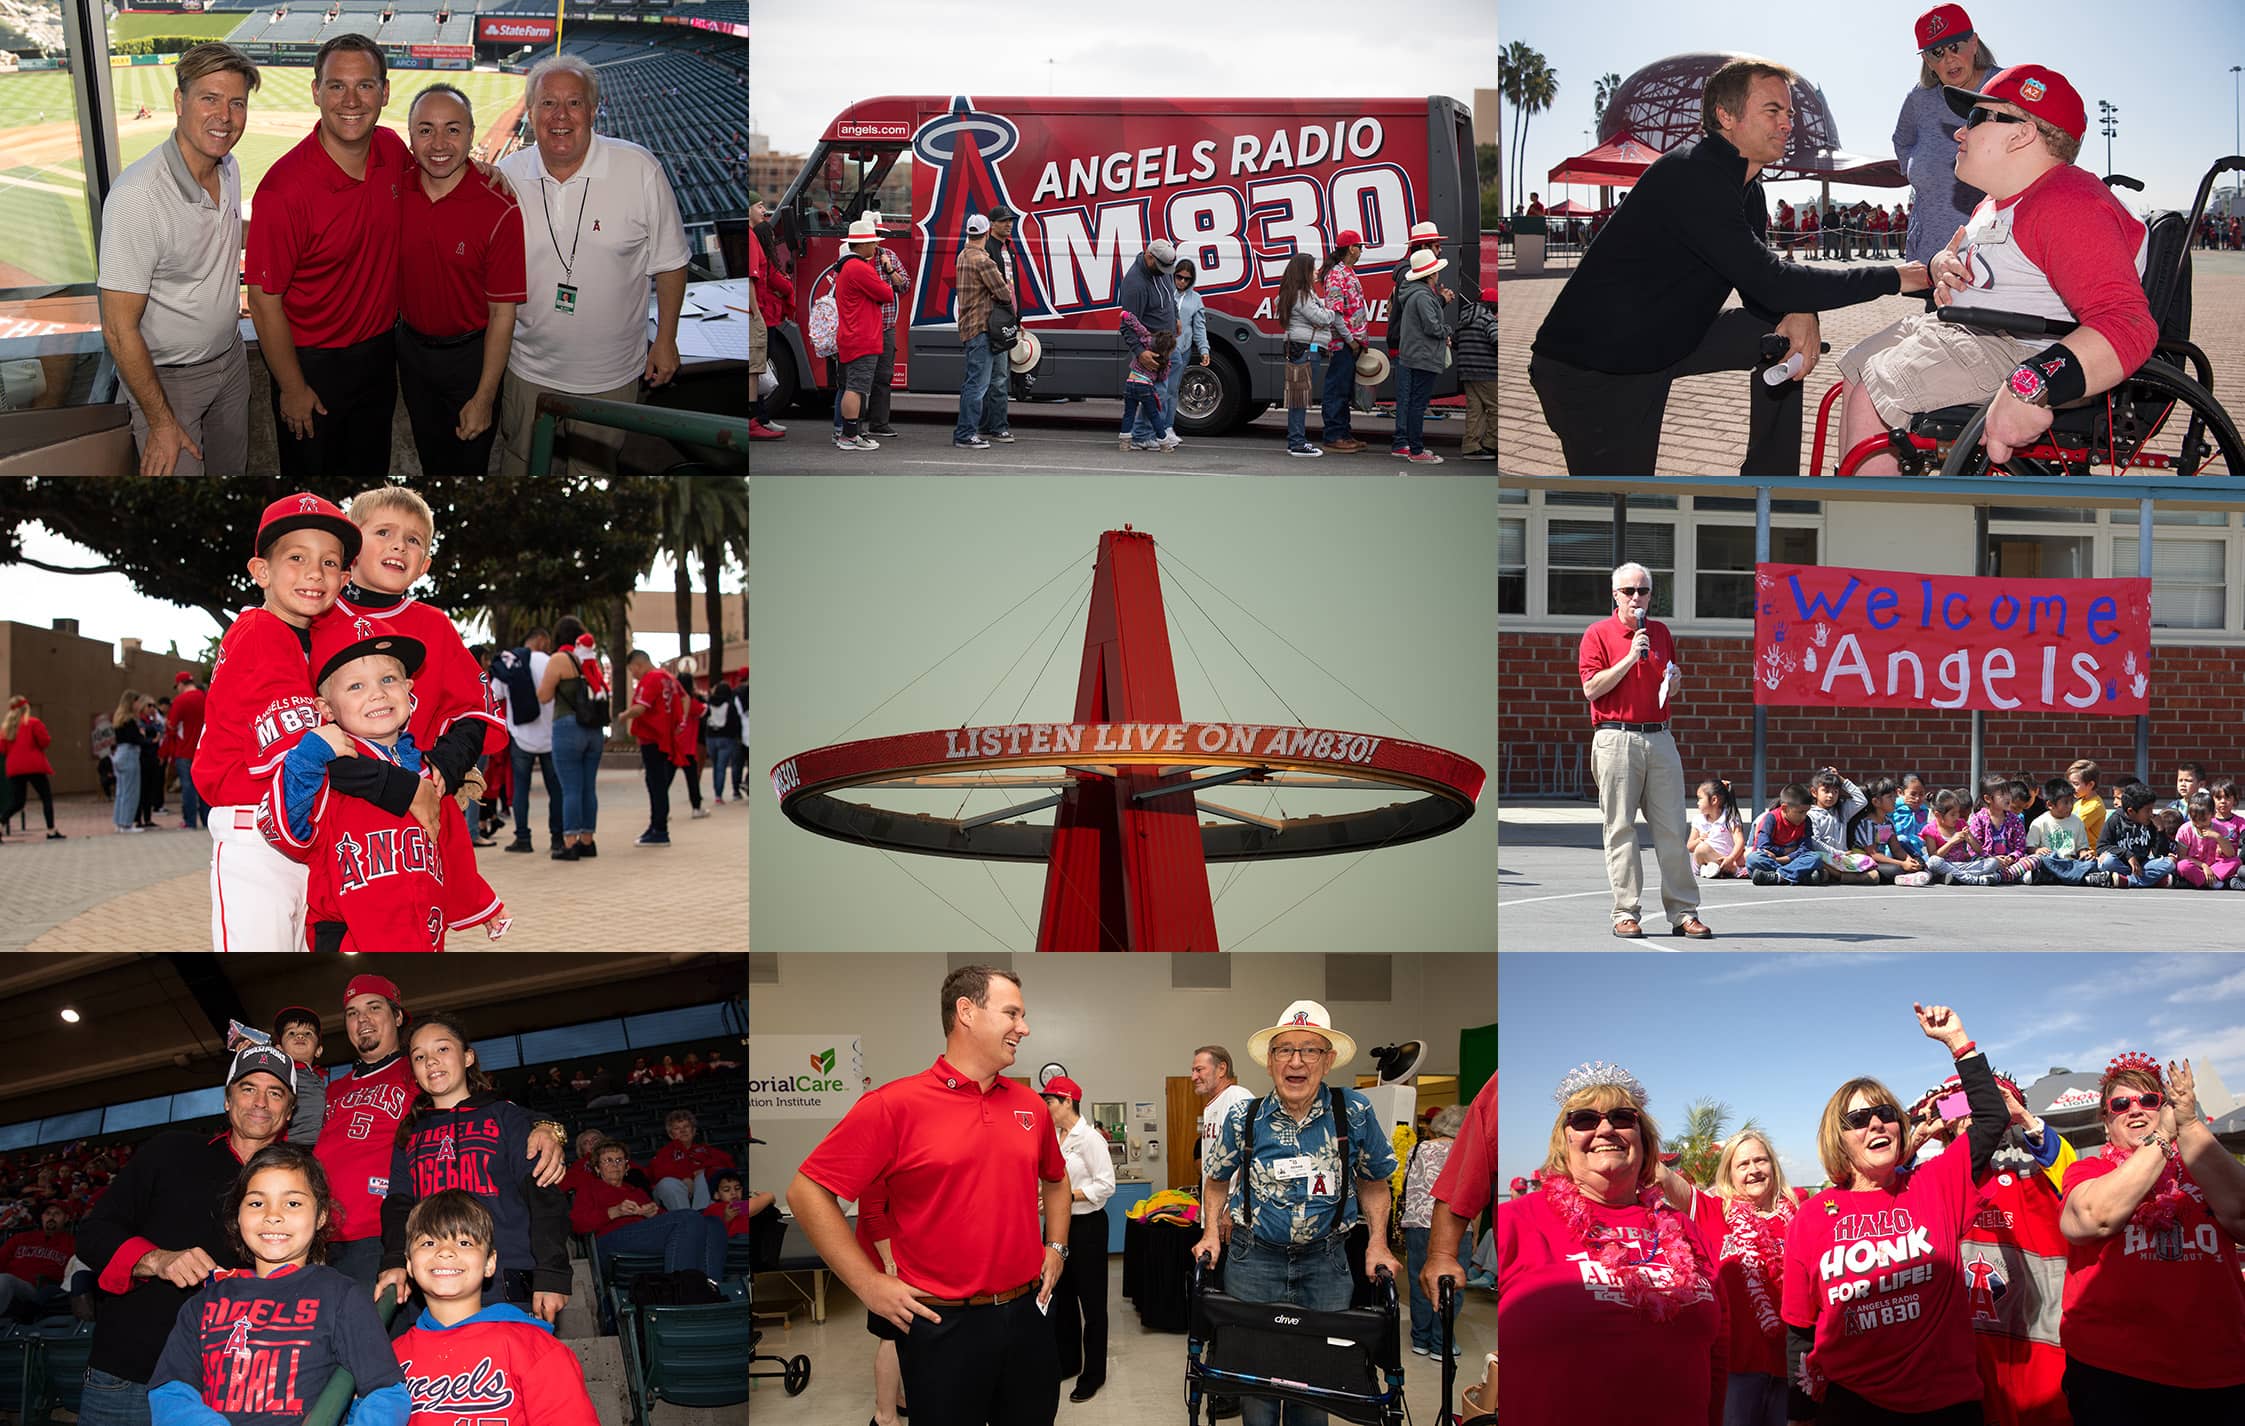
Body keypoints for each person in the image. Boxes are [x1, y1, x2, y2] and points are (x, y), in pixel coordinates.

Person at [1529, 57, 1931, 474]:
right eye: (1772, 111)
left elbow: (1761, 285)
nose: (1787, 123)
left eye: (1789, 113)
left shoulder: (1748, 188)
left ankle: (1770, 482)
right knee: (1622, 514)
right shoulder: (1693, 174)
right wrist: (1895, 276)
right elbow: (1773, 284)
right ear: (1726, 115)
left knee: (1777, 338)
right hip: (1596, 365)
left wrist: (1801, 311)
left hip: (1666, 336)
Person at [789, 965, 1070, 1426]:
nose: (1025, 1027)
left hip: (1028, 1312)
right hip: (942, 1325)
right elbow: (807, 1192)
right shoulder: (894, 1105)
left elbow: (1057, 1181)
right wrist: (867, 1282)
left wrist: (1056, 1247)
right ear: (966, 1012)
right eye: (1012, 1013)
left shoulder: (1030, 1106)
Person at [1837, 65, 2154, 472]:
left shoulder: (2069, 202)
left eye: (1974, 118)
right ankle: (1855, 500)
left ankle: (1870, 525)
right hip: (1971, 332)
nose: (1959, 132)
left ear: (2021, 132)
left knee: (1875, 393)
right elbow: (1988, 269)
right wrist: (1941, 264)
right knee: (1858, 363)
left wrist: (2029, 386)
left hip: (2022, 349)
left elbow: (2127, 323)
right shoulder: (1996, 202)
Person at [1781, 1002, 2007, 1426]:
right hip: (1851, 1406)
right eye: (1859, 1118)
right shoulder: (1811, 1218)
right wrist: (1799, 1416)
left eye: (1886, 1114)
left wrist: (1958, 1043)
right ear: (1839, 1138)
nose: (1877, 1124)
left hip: (1947, 1405)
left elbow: (1992, 1118)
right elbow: (1800, 1331)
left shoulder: (1937, 1183)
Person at [1193, 1000, 1402, 1426]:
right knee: (1255, 1381)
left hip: (1326, 1263)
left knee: (1317, 1380)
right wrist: (1211, 1233)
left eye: (1309, 1050)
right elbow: (1216, 1179)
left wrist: (1378, 1242)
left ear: (1327, 1061)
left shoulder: (1354, 1112)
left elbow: (1375, 1181)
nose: (1296, 1061)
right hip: (1254, 1262)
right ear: (1270, 1061)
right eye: (1285, 1050)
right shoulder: (1243, 1116)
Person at [71, 1043, 296, 1426]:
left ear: (289, 1111)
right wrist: (158, 1259)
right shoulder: (170, 1150)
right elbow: (93, 1233)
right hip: (131, 1376)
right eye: (247, 1088)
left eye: (275, 1093)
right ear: (227, 1100)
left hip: (235, 1388)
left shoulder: (299, 1181)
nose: (260, 1102)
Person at [331, 485, 511, 940]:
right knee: (333, 926)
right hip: (336, 812)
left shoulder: (434, 625)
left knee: (417, 930)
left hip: (415, 820)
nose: (399, 545)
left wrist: (444, 768)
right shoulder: (318, 614)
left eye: (414, 540)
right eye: (385, 532)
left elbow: (476, 713)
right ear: (350, 549)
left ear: (425, 564)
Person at [1495, 1062, 1721, 1424]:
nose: (1605, 1129)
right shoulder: (1517, 1221)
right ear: (1563, 1140)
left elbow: (1717, 1351)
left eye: (1621, 1117)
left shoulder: (1683, 1228)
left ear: (1643, 1138)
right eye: (1584, 1119)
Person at [497, 54, 690, 476]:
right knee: (520, 466)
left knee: (594, 473)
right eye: (548, 103)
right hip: (527, 368)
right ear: (530, 112)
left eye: (574, 103)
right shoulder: (506, 175)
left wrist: (666, 339)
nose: (560, 116)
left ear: (594, 109)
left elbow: (672, 263)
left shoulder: (640, 169)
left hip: (611, 375)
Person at [317, 977, 568, 1293]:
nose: (362, 1019)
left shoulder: (418, 1073)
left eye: (374, 1008)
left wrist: (548, 1127)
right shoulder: (335, 1090)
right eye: (352, 1013)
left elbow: (494, 1110)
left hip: (386, 1239)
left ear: (397, 1017)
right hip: (325, 1237)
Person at [146, 1143, 407, 1426]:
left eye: (292, 1203)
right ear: (237, 1216)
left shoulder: (341, 1295)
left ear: (320, 1215)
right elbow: (170, 1393)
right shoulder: (203, 1303)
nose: (273, 1215)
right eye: (257, 1203)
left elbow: (386, 1393)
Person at [247, 35, 413, 477]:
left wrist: (486, 171)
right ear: (317, 91)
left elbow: (439, 180)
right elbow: (263, 302)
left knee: (370, 473)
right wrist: (292, 386)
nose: (352, 100)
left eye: (365, 85)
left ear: (385, 92)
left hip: (379, 354)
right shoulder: (284, 190)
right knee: (311, 489)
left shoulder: (393, 150)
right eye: (337, 86)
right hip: (311, 362)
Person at [97, 43, 259, 477]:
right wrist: (161, 422)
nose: (224, 115)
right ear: (179, 101)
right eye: (210, 98)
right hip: (167, 383)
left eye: (236, 103)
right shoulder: (138, 198)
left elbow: (221, 234)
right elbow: (116, 326)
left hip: (231, 361)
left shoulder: (229, 166)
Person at [2058, 1052, 2245, 1414]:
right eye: (2121, 1103)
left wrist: (2189, 1125)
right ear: (2106, 1120)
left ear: (2166, 1107)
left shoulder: (2200, 1168)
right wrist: (2162, 1137)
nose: (2136, 1109)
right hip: (2114, 1371)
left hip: (2217, 1368)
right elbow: (2092, 1218)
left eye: (2148, 1100)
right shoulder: (2090, 1169)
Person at [265, 615, 455, 951]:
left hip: (424, 935)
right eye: (356, 686)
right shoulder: (329, 766)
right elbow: (283, 830)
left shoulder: (425, 767)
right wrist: (308, 756)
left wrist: (483, 902)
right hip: (348, 936)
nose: (377, 694)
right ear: (325, 708)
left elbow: (446, 850)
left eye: (388, 679)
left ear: (409, 689)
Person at [1903, 1069, 2073, 1426]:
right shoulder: (1938, 1173)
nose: (1966, 1115)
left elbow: (2071, 1177)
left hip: (2038, 1333)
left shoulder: (2031, 1155)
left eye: (1975, 1104)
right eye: (1956, 1106)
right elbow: (1889, 1192)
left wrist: (2022, 1117)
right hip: (1968, 1342)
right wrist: (1918, 1136)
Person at [376, 1015, 571, 1323]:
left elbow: (543, 1197)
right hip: (434, 1292)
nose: (431, 1062)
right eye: (419, 1056)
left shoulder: (507, 1118)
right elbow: (398, 1206)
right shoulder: (409, 1134)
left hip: (507, 1290)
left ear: (467, 1057)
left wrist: (552, 1272)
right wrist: (393, 1260)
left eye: (442, 1049)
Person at [397, 84, 525, 477]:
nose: (439, 143)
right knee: (430, 459)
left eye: (453, 130)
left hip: (471, 359)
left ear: (471, 134)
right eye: (425, 130)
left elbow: (504, 313)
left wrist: (485, 396)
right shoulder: (395, 189)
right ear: (410, 136)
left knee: (470, 466)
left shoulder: (499, 207)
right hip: (412, 352)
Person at [1580, 562, 1711, 939]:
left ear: (1651, 595)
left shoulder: (1661, 633)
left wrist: (1674, 682)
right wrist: (1629, 656)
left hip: (1659, 736)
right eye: (1628, 592)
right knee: (1620, 828)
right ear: (1615, 595)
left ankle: (1684, 912)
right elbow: (1592, 689)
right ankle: (1626, 912)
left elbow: (1664, 683)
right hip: (1615, 737)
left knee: (1671, 829)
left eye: (1643, 591)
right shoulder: (1597, 634)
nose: (1636, 599)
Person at [392, 1190, 600, 1425]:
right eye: (429, 1242)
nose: (445, 1251)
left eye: (464, 1242)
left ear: (489, 1263)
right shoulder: (390, 1358)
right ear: (409, 1264)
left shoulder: (535, 1349)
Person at [1894, 7, 1996, 270]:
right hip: (1932, 249)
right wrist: (1917, 172)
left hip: (1994, 254)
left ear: (1973, 43)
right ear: (1927, 61)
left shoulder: (2006, 87)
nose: (1949, 59)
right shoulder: (1918, 99)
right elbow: (1901, 140)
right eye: (1937, 52)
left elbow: (2064, 125)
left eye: (1955, 46)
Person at [1041, 1076, 1115, 1403]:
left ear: (1067, 1101)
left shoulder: (1090, 1139)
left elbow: (1105, 1186)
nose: (1046, 1108)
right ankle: (1068, 1362)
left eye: (1050, 1102)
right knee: (1062, 1298)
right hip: (1060, 1228)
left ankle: (1093, 1374)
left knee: (1093, 1305)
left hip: (1087, 1229)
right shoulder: (1056, 1137)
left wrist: (1066, 1196)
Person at [569, 1140, 727, 1285]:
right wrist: (613, 1212)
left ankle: (710, 1287)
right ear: (597, 1168)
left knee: (713, 1222)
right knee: (689, 1217)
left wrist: (653, 1214)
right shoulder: (589, 1188)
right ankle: (681, 1290)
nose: (615, 1165)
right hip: (610, 1240)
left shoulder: (636, 1191)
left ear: (627, 1167)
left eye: (619, 1160)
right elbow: (577, 1224)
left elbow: (666, 1221)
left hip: (643, 1238)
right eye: (608, 1160)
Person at [1399, 1104, 1466, 1361]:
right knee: (1452, 1283)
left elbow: (1405, 1183)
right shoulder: (1465, 1152)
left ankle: (1420, 1339)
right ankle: (1442, 1342)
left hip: (1417, 1221)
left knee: (1420, 1280)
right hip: (1454, 1222)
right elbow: (1471, 1190)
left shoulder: (1417, 1149)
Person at [537, 616, 607, 860]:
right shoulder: (589, 659)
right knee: (589, 787)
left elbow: (544, 695)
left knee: (571, 789)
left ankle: (570, 843)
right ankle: (588, 841)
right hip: (594, 730)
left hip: (568, 727)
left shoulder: (560, 659)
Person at [831, 214, 900, 451]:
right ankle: (850, 436)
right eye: (872, 241)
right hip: (862, 337)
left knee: (851, 385)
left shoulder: (846, 266)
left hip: (852, 335)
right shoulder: (859, 268)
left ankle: (848, 432)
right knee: (857, 387)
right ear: (860, 244)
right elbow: (887, 293)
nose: (875, 245)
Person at [951, 212, 1015, 451]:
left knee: (972, 382)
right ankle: (966, 434)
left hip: (968, 325)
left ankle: (969, 430)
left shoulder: (963, 256)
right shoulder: (984, 261)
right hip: (982, 327)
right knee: (978, 385)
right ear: (987, 233)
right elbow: (1004, 293)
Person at [498, 628, 563, 854]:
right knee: (556, 789)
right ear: (542, 640)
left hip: (521, 736)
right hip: (551, 736)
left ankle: (523, 839)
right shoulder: (552, 662)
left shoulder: (510, 661)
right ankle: (557, 838)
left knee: (520, 789)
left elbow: (496, 694)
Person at [1275, 253, 1343, 457]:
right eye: (1313, 268)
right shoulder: (1301, 295)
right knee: (1299, 398)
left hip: (1301, 348)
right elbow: (1321, 318)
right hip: (1306, 349)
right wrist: (1333, 311)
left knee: (1299, 396)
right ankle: (1297, 442)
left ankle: (1296, 440)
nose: (1317, 271)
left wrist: (1321, 315)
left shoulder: (1294, 293)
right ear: (1303, 271)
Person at [1390, 247, 1454, 464]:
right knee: (1418, 404)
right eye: (1436, 271)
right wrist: (1447, 331)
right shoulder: (1423, 296)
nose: (1438, 275)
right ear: (1430, 275)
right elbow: (1432, 327)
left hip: (1413, 354)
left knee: (1414, 402)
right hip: (1424, 356)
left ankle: (1412, 446)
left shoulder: (1412, 293)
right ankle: (1417, 450)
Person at [1117, 240, 1181, 451]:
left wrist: (1177, 317)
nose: (1166, 272)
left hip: (1168, 344)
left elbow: (1171, 298)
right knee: (1157, 393)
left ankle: (1160, 429)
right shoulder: (1135, 283)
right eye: (1162, 267)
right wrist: (1140, 352)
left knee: (1168, 388)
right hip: (1152, 348)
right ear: (1150, 256)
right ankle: (1142, 435)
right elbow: (1127, 325)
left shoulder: (1161, 270)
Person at [619, 649, 684, 847]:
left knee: (656, 785)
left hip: (652, 738)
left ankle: (660, 830)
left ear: (638, 664)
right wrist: (679, 724)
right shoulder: (668, 677)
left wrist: (624, 715)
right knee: (658, 783)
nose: (634, 675)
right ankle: (656, 826)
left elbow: (641, 708)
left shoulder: (650, 679)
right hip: (664, 738)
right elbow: (684, 697)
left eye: (632, 671)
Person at [1317, 233, 1370, 452]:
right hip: (1343, 343)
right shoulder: (1336, 275)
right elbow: (1335, 314)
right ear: (1350, 248)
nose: (1361, 250)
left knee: (1344, 389)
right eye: (1359, 246)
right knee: (1337, 389)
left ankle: (1344, 433)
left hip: (1352, 343)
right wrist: (1351, 340)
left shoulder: (1347, 272)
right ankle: (1333, 435)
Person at [975, 204, 1020, 444]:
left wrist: (1017, 317)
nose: (1008, 224)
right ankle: (997, 427)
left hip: (1006, 319)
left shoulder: (1007, 248)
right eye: (1003, 221)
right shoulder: (988, 250)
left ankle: (987, 425)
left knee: (997, 376)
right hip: (994, 320)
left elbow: (1012, 286)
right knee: (997, 377)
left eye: (1010, 220)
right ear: (991, 225)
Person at [747, 199, 789, 440]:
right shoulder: (751, 238)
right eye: (759, 206)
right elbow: (752, 280)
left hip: (761, 311)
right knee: (755, 368)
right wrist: (756, 314)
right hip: (759, 312)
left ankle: (758, 419)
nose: (764, 211)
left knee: (757, 367)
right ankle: (754, 421)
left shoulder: (753, 236)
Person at [645, 1110, 735, 1212]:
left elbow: (727, 1162)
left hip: (701, 1194)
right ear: (670, 1135)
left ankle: (700, 1216)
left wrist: (704, 1170)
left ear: (693, 1131)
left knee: (707, 1175)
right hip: (673, 1192)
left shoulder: (705, 1149)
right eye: (677, 1128)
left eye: (686, 1127)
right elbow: (656, 1172)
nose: (683, 1131)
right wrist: (685, 1178)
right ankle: (688, 1219)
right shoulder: (665, 1152)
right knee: (668, 1183)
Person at [0, 1203, 74, 1321]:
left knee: (5, 1279)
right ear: (42, 1217)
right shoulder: (21, 1238)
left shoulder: (72, 1244)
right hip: (8, 1284)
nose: (51, 1217)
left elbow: (72, 1277)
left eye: (57, 1214)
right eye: (47, 1213)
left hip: (38, 1290)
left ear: (66, 1218)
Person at [1164, 258, 1209, 451]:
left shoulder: (1195, 299)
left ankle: (1167, 427)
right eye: (1179, 277)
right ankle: (1153, 428)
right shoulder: (1165, 293)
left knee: (1173, 390)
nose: (1181, 282)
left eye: (1186, 279)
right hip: (1163, 348)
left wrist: (1204, 349)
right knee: (1159, 390)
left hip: (1183, 350)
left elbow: (1199, 326)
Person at [1, 696, 61, 840]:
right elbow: (44, 741)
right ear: (26, 708)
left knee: (18, 801)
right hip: (34, 765)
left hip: (15, 767)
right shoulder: (33, 723)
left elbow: (3, 749)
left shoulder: (6, 728)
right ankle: (51, 830)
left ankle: (2, 821)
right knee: (45, 797)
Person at [273, 1005, 328, 1146]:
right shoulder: (279, 1075)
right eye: (291, 1033)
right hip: (290, 1148)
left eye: (308, 1033)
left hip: (318, 1149)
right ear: (279, 1050)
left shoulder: (320, 1079)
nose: (300, 1036)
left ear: (318, 1050)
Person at [1453, 286, 1498, 459]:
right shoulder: (1488, 320)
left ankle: (1471, 446)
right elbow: (1496, 340)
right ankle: (1490, 444)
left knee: (1475, 410)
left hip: (1467, 371)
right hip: (1486, 371)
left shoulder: (1465, 319)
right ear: (1492, 306)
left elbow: (1456, 341)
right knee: (1496, 408)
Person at [108, 690, 152, 834]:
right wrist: (147, 739)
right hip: (129, 754)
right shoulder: (130, 720)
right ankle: (127, 824)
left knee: (121, 791)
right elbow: (136, 739)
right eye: (137, 702)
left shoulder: (118, 718)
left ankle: (119, 822)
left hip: (119, 754)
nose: (139, 705)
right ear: (132, 702)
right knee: (130, 791)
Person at [168, 673, 205, 831]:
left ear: (181, 685)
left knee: (188, 787)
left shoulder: (180, 701)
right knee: (203, 787)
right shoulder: (205, 697)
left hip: (184, 750)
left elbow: (172, 725)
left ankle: (190, 822)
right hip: (203, 749)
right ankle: (206, 821)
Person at [703, 671, 742, 807]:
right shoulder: (730, 704)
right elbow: (735, 722)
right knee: (721, 767)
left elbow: (704, 719)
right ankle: (719, 796)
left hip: (711, 738)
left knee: (715, 766)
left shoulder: (709, 703)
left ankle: (717, 794)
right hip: (726, 738)